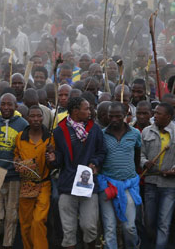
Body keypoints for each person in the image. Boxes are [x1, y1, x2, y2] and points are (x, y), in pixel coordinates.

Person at [47, 96, 106, 249]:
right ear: (75, 111)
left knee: (89, 226)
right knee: (68, 229)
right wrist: (53, 158)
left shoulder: (94, 129)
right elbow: (60, 158)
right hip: (67, 184)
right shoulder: (60, 130)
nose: (90, 111)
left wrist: (95, 162)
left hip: (88, 184)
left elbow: (102, 151)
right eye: (86, 108)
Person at [140, 102, 175, 249]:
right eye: (155, 112)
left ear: (168, 116)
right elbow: (140, 154)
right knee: (149, 220)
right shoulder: (146, 132)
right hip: (151, 182)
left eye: (159, 114)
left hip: (170, 185)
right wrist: (145, 162)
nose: (155, 116)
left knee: (164, 223)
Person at [98, 102, 142, 249]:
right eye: (111, 116)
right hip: (107, 185)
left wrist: (133, 173)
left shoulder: (135, 134)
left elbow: (137, 156)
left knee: (129, 227)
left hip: (128, 185)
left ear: (125, 115)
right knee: (109, 228)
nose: (114, 119)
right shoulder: (102, 135)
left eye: (118, 116)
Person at [0, 93, 28, 248]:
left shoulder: (23, 125)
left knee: (11, 216)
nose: (5, 107)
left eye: (9, 104)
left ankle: (7, 245)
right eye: (3, 104)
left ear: (15, 106)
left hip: (14, 176)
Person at [14, 105, 54, 249]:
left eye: (39, 116)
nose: (36, 119)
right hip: (27, 183)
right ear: (27, 118)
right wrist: (17, 162)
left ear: (43, 118)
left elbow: (54, 163)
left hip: (44, 184)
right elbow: (16, 156)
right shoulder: (20, 137)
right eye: (33, 116)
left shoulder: (50, 138)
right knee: (25, 224)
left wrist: (51, 157)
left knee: (39, 220)